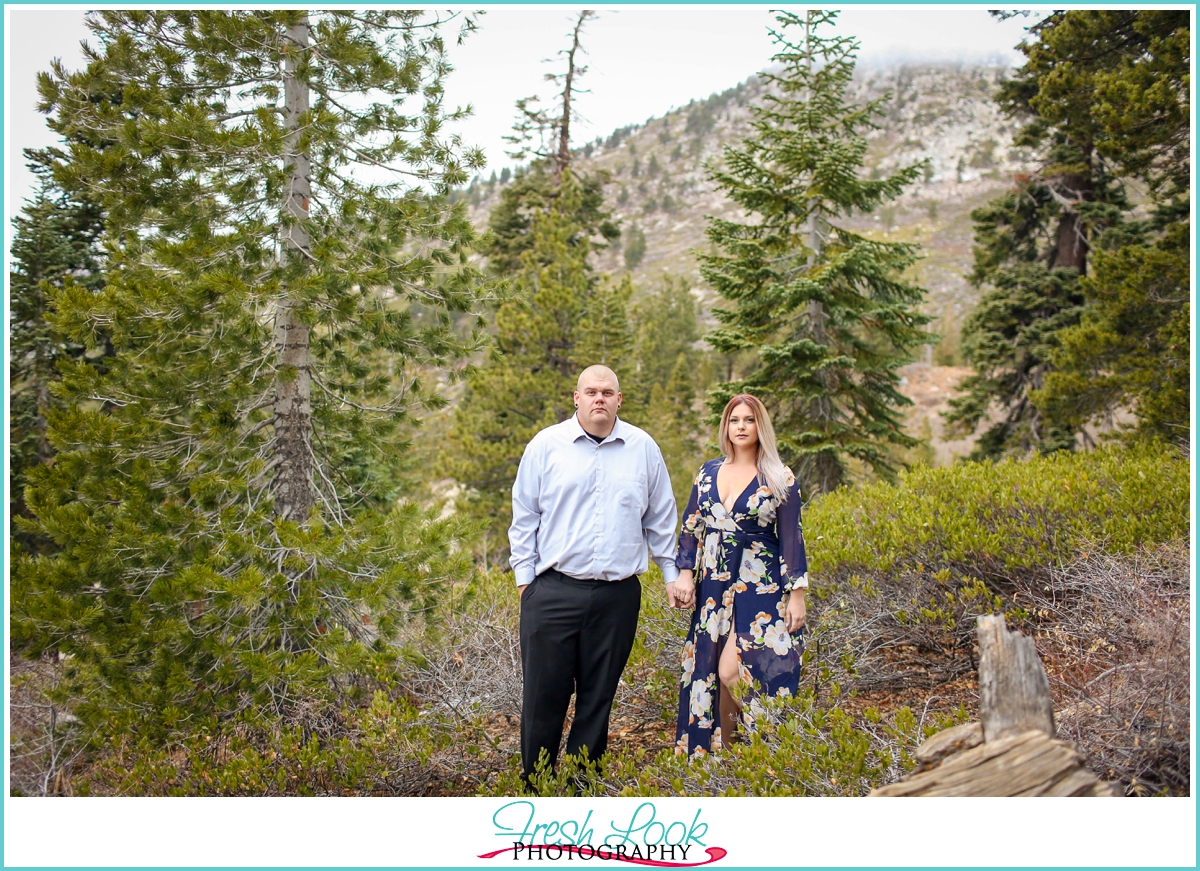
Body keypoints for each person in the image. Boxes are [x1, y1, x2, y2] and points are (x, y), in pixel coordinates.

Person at [509, 364, 681, 783]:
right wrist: (526, 583)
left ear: (619, 400)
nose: (599, 398)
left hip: (617, 598)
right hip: (552, 592)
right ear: (577, 398)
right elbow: (524, 515)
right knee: (542, 701)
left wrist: (672, 572)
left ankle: (582, 791)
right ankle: (537, 792)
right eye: (591, 391)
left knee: (597, 700)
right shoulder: (546, 446)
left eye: (607, 392)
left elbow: (660, 517)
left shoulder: (643, 448)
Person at [667, 393, 809, 757]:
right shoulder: (708, 472)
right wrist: (685, 574)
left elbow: (792, 537)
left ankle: (773, 742)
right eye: (734, 420)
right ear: (725, 427)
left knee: (733, 670)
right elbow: (691, 526)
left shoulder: (779, 476)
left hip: (759, 586)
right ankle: (726, 758)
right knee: (711, 672)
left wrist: (797, 594)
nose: (741, 427)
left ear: (760, 427)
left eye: (748, 420)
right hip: (713, 584)